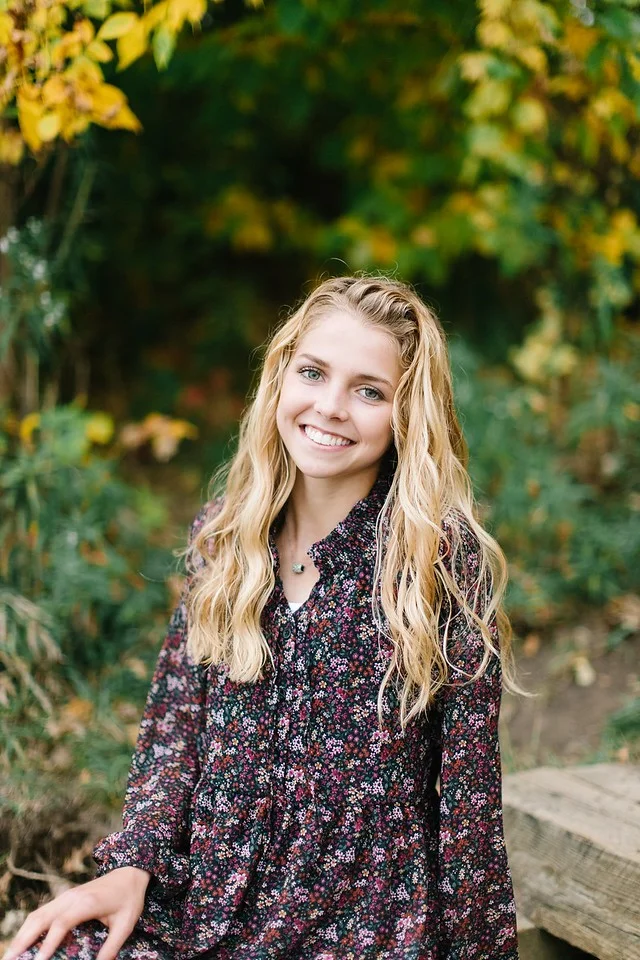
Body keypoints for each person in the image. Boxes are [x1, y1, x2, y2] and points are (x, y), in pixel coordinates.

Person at [5, 274, 523, 960]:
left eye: (370, 391)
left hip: (360, 928)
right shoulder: (224, 539)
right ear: (281, 379)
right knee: (53, 950)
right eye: (314, 373)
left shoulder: (436, 564)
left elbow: (468, 800)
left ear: (406, 416)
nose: (332, 407)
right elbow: (174, 737)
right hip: (209, 906)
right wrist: (130, 865)